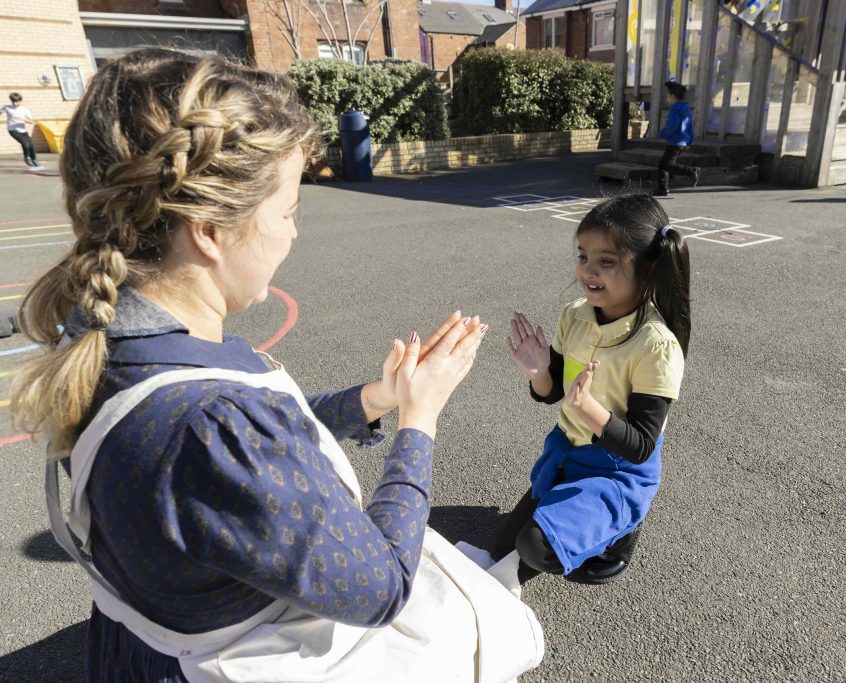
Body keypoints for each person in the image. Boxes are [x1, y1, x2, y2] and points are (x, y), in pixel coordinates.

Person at [12, 48, 543, 682]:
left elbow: (266, 441)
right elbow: (381, 586)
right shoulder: (206, 425)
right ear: (210, 229)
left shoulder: (102, 336)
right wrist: (420, 418)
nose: (293, 234)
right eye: (287, 212)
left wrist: (376, 397)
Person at [494, 194, 689, 584]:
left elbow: (641, 446)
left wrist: (587, 410)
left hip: (618, 470)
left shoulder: (657, 345)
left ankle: (623, 528)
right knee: (503, 546)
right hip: (568, 453)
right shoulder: (574, 315)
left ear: (648, 267)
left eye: (607, 261)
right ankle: (582, 512)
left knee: (537, 548)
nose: (588, 271)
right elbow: (550, 392)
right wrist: (537, 371)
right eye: (582, 256)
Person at [654, 81, 699, 197]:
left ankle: (691, 171)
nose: (667, 99)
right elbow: (690, 126)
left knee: (667, 164)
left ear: (673, 96)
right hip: (682, 141)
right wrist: (689, 140)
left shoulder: (675, 109)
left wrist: (663, 134)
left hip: (675, 141)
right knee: (664, 164)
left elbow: (673, 125)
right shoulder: (685, 109)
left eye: (668, 96)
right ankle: (663, 188)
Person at [3, 92, 42, 171]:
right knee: (25, 143)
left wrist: (29, 121)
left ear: (20, 101)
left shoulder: (24, 109)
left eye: (17, 101)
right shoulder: (7, 107)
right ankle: (27, 158)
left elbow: (31, 119)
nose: (15, 103)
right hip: (13, 130)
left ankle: (34, 159)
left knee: (31, 145)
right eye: (13, 101)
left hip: (23, 131)